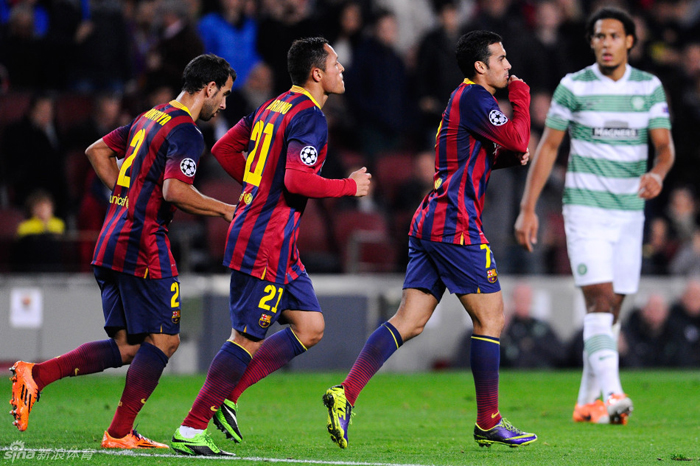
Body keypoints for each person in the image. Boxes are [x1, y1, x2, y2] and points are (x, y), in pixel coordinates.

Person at [9, 54, 237, 449]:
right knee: (164, 340)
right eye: (225, 95)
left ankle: (36, 375)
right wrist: (224, 209)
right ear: (210, 87)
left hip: (111, 238)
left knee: (130, 346)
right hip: (143, 243)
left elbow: (97, 150)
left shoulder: (151, 117)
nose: (224, 105)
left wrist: (125, 197)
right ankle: (117, 433)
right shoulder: (186, 131)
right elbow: (174, 191)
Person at [323, 30, 536, 450]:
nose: (508, 67)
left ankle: (344, 395)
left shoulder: (464, 101)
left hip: (431, 220)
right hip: (454, 224)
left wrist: (509, 154)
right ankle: (488, 421)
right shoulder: (477, 98)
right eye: (502, 58)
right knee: (491, 319)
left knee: (410, 321)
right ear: (481, 66)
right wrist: (522, 97)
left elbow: (482, 155)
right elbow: (517, 136)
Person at [170, 37, 371, 456]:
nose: (341, 70)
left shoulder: (273, 107)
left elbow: (225, 148)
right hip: (265, 238)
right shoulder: (311, 118)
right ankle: (191, 429)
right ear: (316, 73)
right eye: (335, 64)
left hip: (278, 241)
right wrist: (348, 186)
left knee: (311, 326)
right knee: (246, 338)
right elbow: (298, 180)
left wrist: (256, 183)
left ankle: (229, 394)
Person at [514, 7, 675, 425]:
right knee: (600, 301)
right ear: (592, 42)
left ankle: (587, 404)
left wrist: (657, 174)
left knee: (611, 312)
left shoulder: (649, 87)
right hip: (585, 210)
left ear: (629, 42)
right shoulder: (574, 86)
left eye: (614, 36)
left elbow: (665, 147)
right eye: (599, 36)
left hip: (629, 215)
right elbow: (548, 147)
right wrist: (528, 208)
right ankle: (614, 393)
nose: (606, 43)